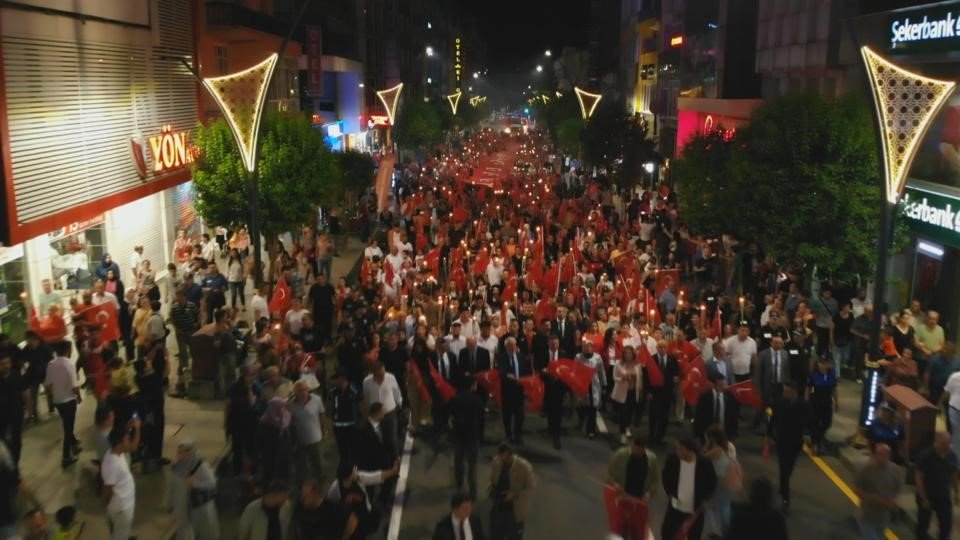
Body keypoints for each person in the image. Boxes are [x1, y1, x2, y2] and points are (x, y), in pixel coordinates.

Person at [660, 436, 717, 540]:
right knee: (667, 534)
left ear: (689, 450)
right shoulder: (672, 460)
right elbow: (666, 477)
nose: (677, 451)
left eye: (680, 449)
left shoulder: (704, 463)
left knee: (694, 536)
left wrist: (706, 499)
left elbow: (712, 482)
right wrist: (669, 494)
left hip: (695, 509)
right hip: (675, 507)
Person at [168, 439, 220, 540]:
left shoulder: (201, 467)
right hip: (184, 508)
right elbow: (172, 487)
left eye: (184, 452)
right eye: (179, 452)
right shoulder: (177, 468)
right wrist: (169, 505)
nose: (180, 455)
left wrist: (196, 484)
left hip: (200, 507)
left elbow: (212, 483)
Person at [772, 382, 809, 512]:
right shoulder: (780, 403)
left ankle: (783, 485)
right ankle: (785, 498)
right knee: (783, 469)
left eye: (787, 391)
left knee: (789, 467)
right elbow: (773, 419)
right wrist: (769, 435)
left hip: (795, 442)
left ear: (794, 392)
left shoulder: (803, 405)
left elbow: (807, 420)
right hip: (782, 441)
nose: (784, 393)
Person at [101, 418, 141, 540]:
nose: (129, 440)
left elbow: (132, 447)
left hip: (124, 504)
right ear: (120, 443)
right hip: (121, 508)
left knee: (122, 530)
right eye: (127, 438)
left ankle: (125, 533)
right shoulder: (112, 463)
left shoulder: (117, 451)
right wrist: (108, 506)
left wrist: (130, 427)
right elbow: (107, 489)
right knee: (119, 535)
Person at [915, 431, 958, 540]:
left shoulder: (952, 456)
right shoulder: (926, 455)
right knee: (923, 525)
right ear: (936, 442)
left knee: (946, 525)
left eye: (949, 444)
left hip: (943, 495)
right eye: (944, 444)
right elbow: (919, 478)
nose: (947, 447)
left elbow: (953, 475)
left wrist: (956, 492)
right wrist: (923, 498)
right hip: (927, 494)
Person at [45, 341, 82, 468]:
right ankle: (66, 456)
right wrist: (79, 397)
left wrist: (52, 398)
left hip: (58, 401)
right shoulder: (69, 365)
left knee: (66, 423)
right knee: (68, 428)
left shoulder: (50, 364)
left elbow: (48, 385)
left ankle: (74, 444)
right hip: (69, 401)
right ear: (67, 350)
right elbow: (74, 386)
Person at [854, 443, 902, 540]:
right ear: (875, 454)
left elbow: (897, 488)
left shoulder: (895, 470)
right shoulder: (866, 469)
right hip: (867, 516)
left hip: (883, 517)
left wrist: (893, 500)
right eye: (880, 454)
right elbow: (857, 489)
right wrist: (877, 498)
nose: (883, 457)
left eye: (886, 454)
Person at [488, 443, 536, 540]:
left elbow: (531, 488)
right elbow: (491, 480)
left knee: (514, 536)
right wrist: (490, 489)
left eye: (502, 454)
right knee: (495, 535)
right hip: (498, 506)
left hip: (515, 509)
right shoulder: (496, 462)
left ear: (509, 453)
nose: (500, 457)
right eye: (499, 454)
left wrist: (515, 494)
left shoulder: (524, 466)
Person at [703, 426, 741, 539]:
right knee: (725, 506)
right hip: (729, 479)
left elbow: (702, 456)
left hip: (719, 481)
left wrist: (706, 444)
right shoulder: (730, 446)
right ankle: (726, 532)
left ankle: (715, 532)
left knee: (709, 505)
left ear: (712, 438)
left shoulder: (716, 450)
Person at [362, 362, 403, 461]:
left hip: (390, 413)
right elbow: (366, 398)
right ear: (373, 374)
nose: (383, 376)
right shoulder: (366, 382)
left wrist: (399, 404)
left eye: (383, 373)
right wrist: (368, 413)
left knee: (392, 439)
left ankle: (396, 461)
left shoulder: (391, 378)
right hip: (375, 416)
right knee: (378, 440)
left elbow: (397, 392)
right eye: (380, 375)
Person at [450, 378, 483, 498]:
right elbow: (480, 416)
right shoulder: (477, 400)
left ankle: (459, 485)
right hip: (472, 436)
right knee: (472, 465)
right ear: (472, 386)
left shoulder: (455, 399)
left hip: (459, 434)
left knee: (458, 461)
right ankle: (473, 491)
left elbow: (451, 413)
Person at [288, 380, 325, 485]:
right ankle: (304, 485)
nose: (303, 392)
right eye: (300, 390)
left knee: (318, 463)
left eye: (305, 389)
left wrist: (324, 431)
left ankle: (320, 480)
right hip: (300, 440)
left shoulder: (317, 400)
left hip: (315, 438)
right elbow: (289, 422)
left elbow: (321, 414)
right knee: (301, 465)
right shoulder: (290, 405)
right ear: (295, 392)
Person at [606, 434, 660, 500]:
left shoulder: (652, 459)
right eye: (634, 447)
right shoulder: (620, 454)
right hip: (621, 496)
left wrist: (649, 493)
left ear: (644, 448)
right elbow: (608, 475)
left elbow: (656, 480)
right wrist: (614, 484)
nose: (636, 450)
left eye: (639, 449)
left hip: (641, 498)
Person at [647, 339, 680, 443]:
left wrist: (676, 378)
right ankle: (652, 434)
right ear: (656, 348)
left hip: (667, 391)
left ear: (667, 348)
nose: (662, 349)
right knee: (653, 414)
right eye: (660, 347)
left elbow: (677, 372)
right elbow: (646, 377)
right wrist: (648, 392)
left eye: (664, 347)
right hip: (655, 392)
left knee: (664, 415)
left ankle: (660, 435)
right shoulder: (652, 359)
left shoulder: (672, 359)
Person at [499, 337, 530, 445]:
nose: (512, 347)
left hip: (519, 390)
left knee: (520, 415)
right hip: (507, 390)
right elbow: (500, 372)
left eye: (514, 345)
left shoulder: (521, 357)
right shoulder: (502, 358)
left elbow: (526, 372)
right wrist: (507, 375)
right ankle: (508, 435)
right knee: (507, 415)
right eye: (510, 345)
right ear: (506, 347)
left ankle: (518, 434)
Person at [806, 355, 839, 455]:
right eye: (822, 363)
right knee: (814, 422)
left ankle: (818, 439)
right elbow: (808, 388)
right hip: (815, 401)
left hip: (827, 401)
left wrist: (837, 402)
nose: (824, 365)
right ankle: (815, 443)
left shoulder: (831, 374)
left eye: (826, 363)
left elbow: (834, 388)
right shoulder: (814, 374)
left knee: (827, 422)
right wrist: (806, 400)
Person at [612, 345, 643, 445]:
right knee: (623, 415)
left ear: (633, 354)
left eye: (629, 353)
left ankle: (626, 427)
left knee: (629, 414)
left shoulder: (637, 365)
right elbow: (615, 377)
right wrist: (622, 379)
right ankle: (622, 433)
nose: (627, 355)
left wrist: (641, 390)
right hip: (622, 393)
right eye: (625, 353)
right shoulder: (618, 364)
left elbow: (640, 379)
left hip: (633, 393)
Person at [0, 353, 28, 466]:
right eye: (3, 364)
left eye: (8, 363)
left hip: (16, 412)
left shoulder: (16, 376)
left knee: (16, 440)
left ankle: (14, 463)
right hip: (2, 414)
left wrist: (28, 410)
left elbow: (24, 392)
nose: (6, 366)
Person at [575, 339, 606, 440]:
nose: (588, 348)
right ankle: (581, 419)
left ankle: (591, 430)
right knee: (582, 406)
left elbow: (601, 371)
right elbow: (575, 370)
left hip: (594, 385)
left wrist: (604, 384)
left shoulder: (597, 357)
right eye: (585, 346)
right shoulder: (578, 357)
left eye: (590, 346)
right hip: (582, 385)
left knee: (592, 408)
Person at [694, 372, 738, 441]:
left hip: (725, 434)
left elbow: (733, 416)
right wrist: (698, 434)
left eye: (725, 384)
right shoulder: (704, 397)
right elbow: (698, 417)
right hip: (708, 435)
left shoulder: (730, 397)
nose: (723, 387)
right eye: (720, 385)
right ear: (713, 385)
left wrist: (734, 434)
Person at [20, 331, 53, 422]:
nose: (28, 342)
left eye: (29, 340)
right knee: (33, 395)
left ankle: (51, 406)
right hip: (33, 374)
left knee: (49, 392)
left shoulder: (44, 347)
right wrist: (24, 367)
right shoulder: (27, 349)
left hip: (45, 372)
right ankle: (35, 415)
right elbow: (22, 359)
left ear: (35, 339)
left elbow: (51, 359)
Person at [329, 369, 360, 464]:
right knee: (342, 450)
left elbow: (361, 405)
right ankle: (346, 469)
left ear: (343, 379)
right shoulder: (333, 392)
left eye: (337, 378)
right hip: (338, 426)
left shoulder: (353, 390)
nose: (336, 381)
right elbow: (330, 407)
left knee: (352, 449)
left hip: (351, 425)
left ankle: (355, 468)